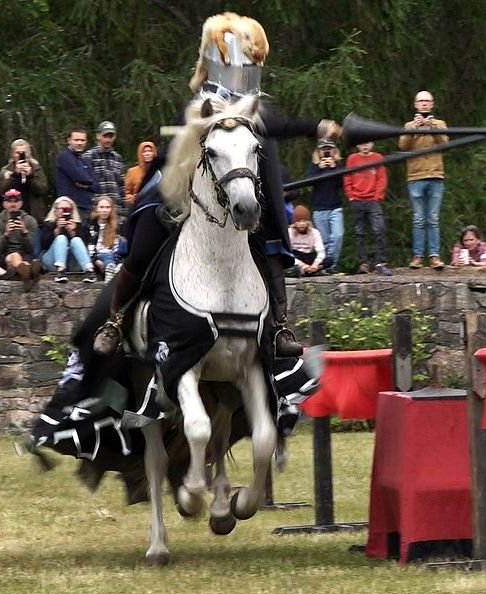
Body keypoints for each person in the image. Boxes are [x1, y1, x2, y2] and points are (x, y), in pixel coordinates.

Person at [93, 12, 340, 358]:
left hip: (242, 190)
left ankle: (278, 328)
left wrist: (318, 127)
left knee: (270, 245)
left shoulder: (252, 106)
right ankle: (116, 321)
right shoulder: (201, 104)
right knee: (146, 239)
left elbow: (279, 124)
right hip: (191, 191)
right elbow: (179, 148)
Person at [399, 90, 449, 269]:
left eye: (427, 101)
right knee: (419, 218)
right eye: (421, 101)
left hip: (435, 175)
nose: (424, 104)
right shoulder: (408, 125)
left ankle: (434, 256)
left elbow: (445, 143)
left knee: (433, 218)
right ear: (415, 104)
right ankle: (418, 256)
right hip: (415, 176)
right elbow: (403, 145)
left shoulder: (440, 123)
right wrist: (414, 127)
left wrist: (432, 127)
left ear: (432, 104)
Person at [344, 141, 390, 275]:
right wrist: (350, 195)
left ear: (373, 143)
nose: (365, 146)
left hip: (373, 200)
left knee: (379, 229)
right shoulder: (352, 159)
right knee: (359, 233)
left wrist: (377, 196)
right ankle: (363, 263)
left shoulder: (377, 158)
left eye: (367, 143)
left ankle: (380, 262)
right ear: (357, 144)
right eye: (362, 143)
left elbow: (382, 178)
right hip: (357, 200)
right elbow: (347, 178)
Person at [304, 139, 345, 273]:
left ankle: (331, 264)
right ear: (318, 152)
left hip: (335, 207)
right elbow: (307, 182)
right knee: (325, 241)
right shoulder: (314, 167)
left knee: (338, 236)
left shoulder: (338, 165)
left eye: (329, 149)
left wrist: (334, 168)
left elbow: (343, 183)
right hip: (319, 208)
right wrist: (319, 168)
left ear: (334, 151)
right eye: (323, 149)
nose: (326, 152)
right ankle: (326, 267)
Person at [0, 189, 41, 288]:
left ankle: (25, 274)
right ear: (4, 204)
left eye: (15, 201)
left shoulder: (30, 221)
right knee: (15, 257)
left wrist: (24, 232)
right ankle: (31, 274)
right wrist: (7, 234)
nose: (12, 204)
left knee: (22, 260)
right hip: (4, 255)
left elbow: (30, 248)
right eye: (9, 201)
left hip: (24, 253)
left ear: (20, 203)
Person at [40, 196, 98, 283]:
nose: (64, 211)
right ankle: (60, 272)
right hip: (52, 261)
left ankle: (89, 271)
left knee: (76, 240)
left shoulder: (79, 225)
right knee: (61, 238)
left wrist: (74, 233)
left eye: (67, 209)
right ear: (55, 210)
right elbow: (44, 245)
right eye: (62, 209)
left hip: (73, 262)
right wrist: (57, 230)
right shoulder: (48, 224)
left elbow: (86, 246)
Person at [0, 139, 49, 222]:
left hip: (33, 215)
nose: (21, 155)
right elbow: (2, 191)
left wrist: (30, 176)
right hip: (11, 216)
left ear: (29, 153)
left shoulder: (36, 169)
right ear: (12, 154)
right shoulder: (5, 170)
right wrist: (15, 175)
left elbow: (42, 190)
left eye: (24, 152)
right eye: (18, 153)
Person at [84, 121, 127, 219]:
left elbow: (121, 186)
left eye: (111, 136)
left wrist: (124, 211)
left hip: (115, 210)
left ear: (114, 137)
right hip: (96, 209)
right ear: (98, 136)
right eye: (105, 136)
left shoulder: (117, 157)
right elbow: (85, 185)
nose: (108, 139)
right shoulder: (88, 156)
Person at [55, 128, 94, 217]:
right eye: (76, 140)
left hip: (85, 206)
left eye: (82, 140)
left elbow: (97, 186)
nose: (79, 143)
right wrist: (87, 181)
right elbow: (80, 177)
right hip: (69, 206)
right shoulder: (65, 157)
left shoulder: (84, 160)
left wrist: (86, 184)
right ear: (69, 140)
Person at [83, 195, 120, 277]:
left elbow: (118, 248)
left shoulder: (117, 225)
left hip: (112, 256)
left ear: (111, 209)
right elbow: (88, 246)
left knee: (109, 255)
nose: (105, 210)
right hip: (94, 258)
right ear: (96, 209)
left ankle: (111, 269)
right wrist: (95, 260)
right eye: (102, 207)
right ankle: (111, 270)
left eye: (107, 207)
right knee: (106, 256)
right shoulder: (89, 225)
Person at [286, 205, 325, 277]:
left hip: (310, 257)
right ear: (295, 223)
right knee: (287, 260)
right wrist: (302, 265)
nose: (302, 224)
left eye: (304, 221)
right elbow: (288, 253)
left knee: (329, 260)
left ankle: (311, 270)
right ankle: (307, 271)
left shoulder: (314, 232)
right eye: (299, 221)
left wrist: (315, 264)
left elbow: (321, 251)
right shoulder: (289, 232)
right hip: (297, 257)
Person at [124, 141, 156, 207]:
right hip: (138, 207)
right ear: (140, 154)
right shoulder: (132, 172)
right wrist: (134, 198)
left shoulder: (159, 171)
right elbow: (124, 194)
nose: (147, 154)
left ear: (154, 153)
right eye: (144, 151)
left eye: (150, 151)